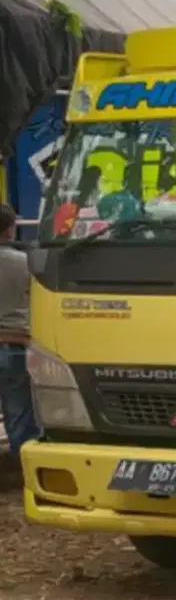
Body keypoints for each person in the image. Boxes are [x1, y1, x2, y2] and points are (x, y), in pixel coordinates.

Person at [0, 203, 39, 484]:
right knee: (19, 415)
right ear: (10, 228)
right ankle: (23, 474)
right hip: (14, 345)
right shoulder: (24, 263)